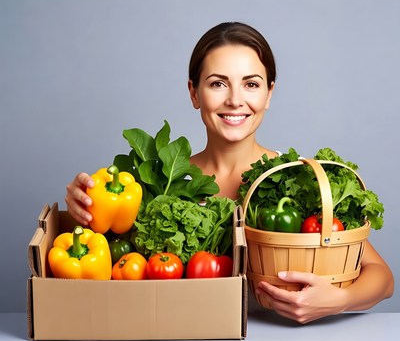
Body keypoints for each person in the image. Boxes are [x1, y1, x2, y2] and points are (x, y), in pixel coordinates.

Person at [65, 21, 394, 324]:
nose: (236, 100)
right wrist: (86, 213)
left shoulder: (296, 180)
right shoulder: (159, 188)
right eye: (218, 83)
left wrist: (338, 300)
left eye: (251, 84)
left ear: (269, 94)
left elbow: (382, 277)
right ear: (194, 93)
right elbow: (109, 264)